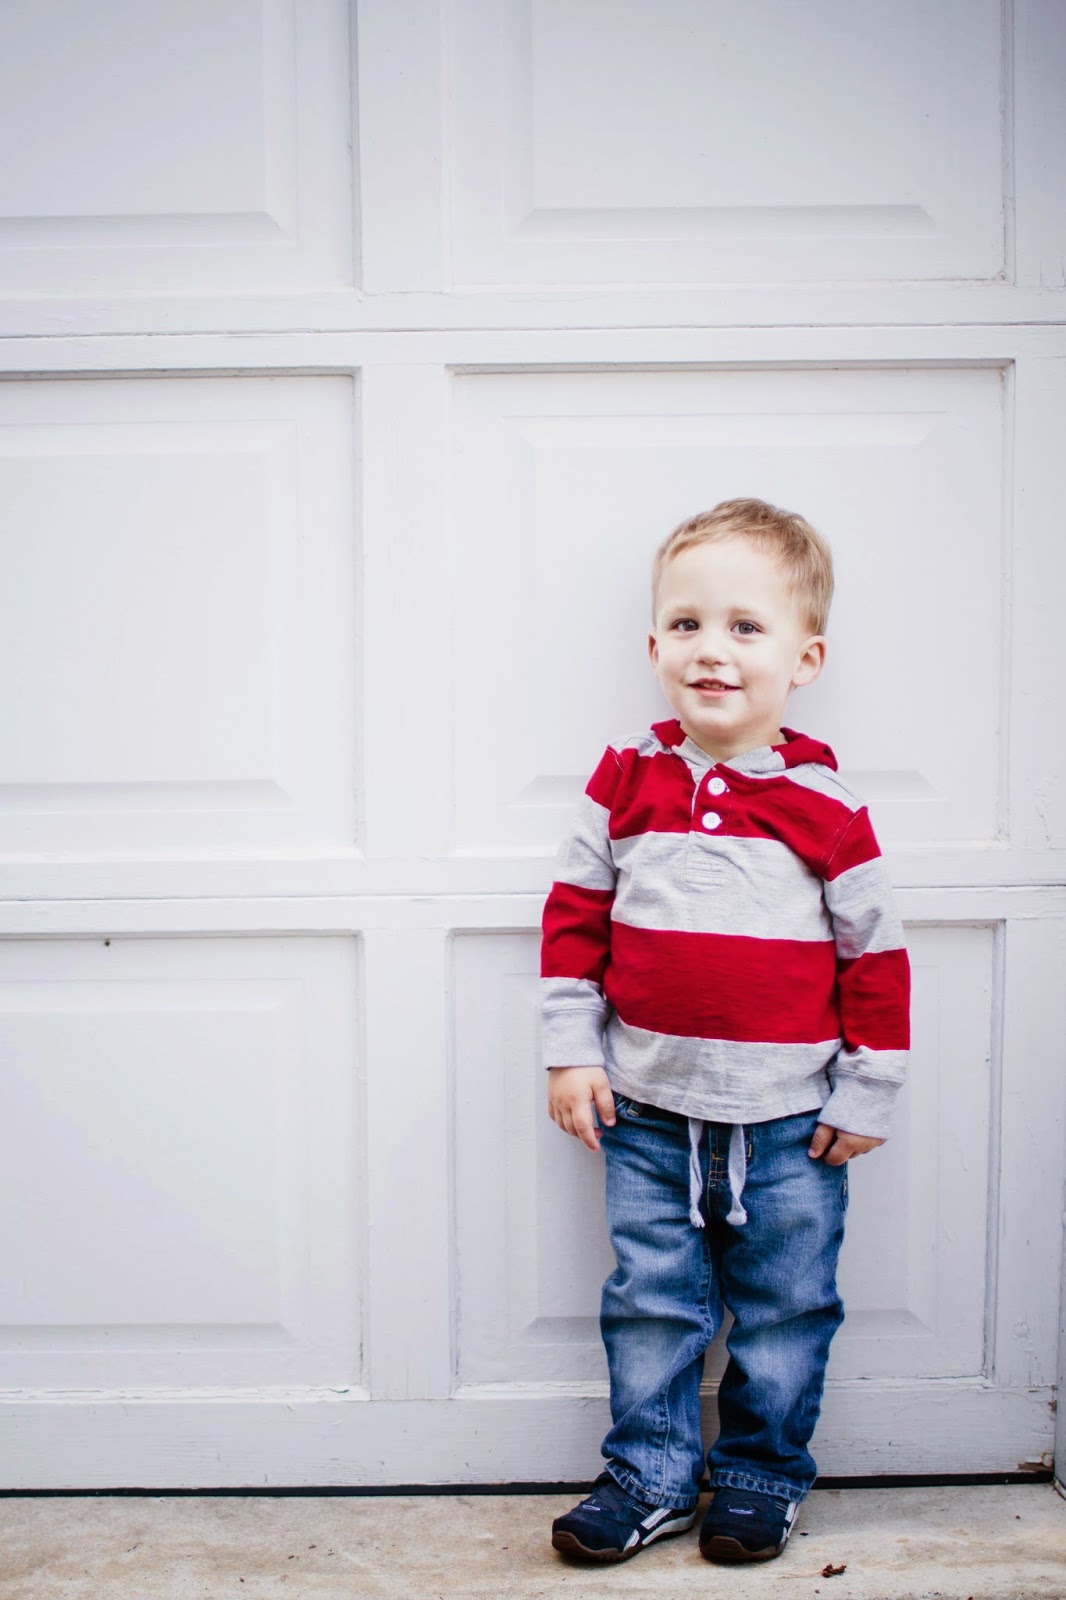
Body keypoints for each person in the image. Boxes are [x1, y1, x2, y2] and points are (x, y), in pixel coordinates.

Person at [542, 498, 910, 1566]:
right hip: (646, 1112)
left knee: (787, 1308)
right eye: (688, 624)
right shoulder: (624, 781)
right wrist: (571, 1049)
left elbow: (874, 957)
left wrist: (868, 1090)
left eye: (746, 627)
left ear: (805, 658)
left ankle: (759, 1475)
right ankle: (649, 1476)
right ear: (654, 645)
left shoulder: (825, 805)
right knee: (650, 1305)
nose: (712, 649)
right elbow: (573, 919)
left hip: (792, 1124)